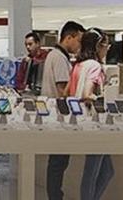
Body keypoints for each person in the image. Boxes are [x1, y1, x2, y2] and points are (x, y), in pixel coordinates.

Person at [42, 20, 85, 200]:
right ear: (69, 37)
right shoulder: (59, 58)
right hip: (59, 116)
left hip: (54, 115)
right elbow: (63, 90)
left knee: (57, 162)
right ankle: (55, 196)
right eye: (79, 40)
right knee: (58, 163)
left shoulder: (54, 55)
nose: (80, 45)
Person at [69, 28, 113, 200]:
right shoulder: (94, 66)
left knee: (106, 170)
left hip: (79, 119)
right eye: (106, 45)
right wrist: (102, 98)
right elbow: (87, 94)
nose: (107, 49)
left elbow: (68, 93)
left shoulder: (78, 65)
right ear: (98, 46)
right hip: (94, 122)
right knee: (93, 172)